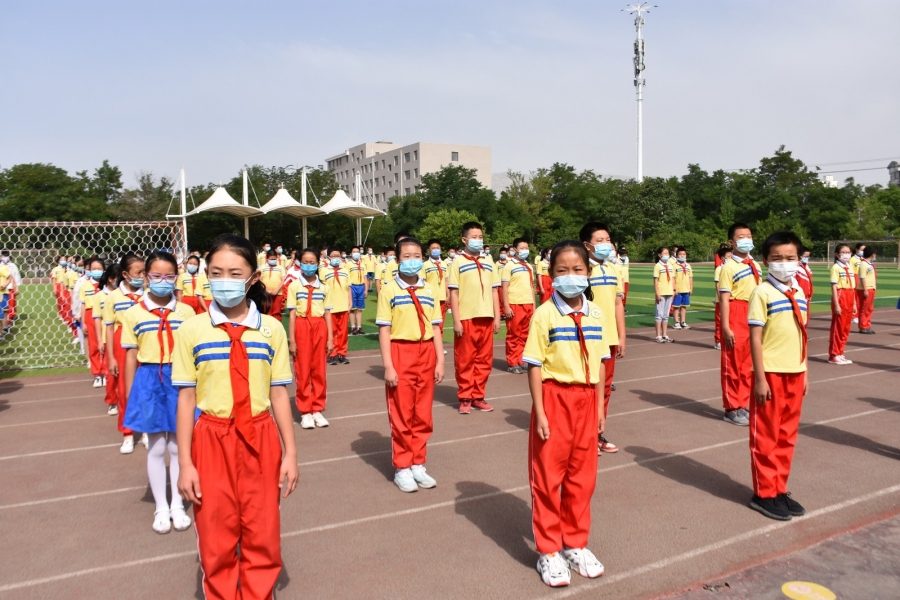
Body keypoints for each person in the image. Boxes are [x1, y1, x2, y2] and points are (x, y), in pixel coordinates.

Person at [173, 234, 297, 599]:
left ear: (254, 277)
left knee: (262, 530)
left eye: (234, 272)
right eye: (216, 272)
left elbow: (278, 394)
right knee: (215, 534)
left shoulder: (271, 329)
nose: (224, 280)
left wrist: (290, 452)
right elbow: (186, 397)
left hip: (260, 437)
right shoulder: (193, 329)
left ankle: (259, 592)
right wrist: (185, 462)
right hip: (211, 438)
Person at [523, 240, 609, 588]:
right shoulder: (544, 314)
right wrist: (541, 412)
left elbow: (601, 364)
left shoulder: (596, 313)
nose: (571, 276)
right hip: (555, 398)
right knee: (548, 477)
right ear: (551, 275)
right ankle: (548, 550)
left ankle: (574, 543)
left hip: (587, 400)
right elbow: (533, 365)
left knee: (582, 478)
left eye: (578, 270)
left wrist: (600, 407)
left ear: (588, 273)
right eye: (562, 271)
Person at [121, 251, 196, 534]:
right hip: (150, 380)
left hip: (180, 380)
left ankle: (177, 502)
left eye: (169, 276)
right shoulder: (133, 312)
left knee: (179, 446)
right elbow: (130, 356)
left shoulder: (186, 312)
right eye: (156, 276)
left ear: (176, 278)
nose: (162, 281)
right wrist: (132, 395)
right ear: (145, 277)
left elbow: (192, 353)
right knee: (157, 446)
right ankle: (160, 506)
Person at [747, 231, 808, 521]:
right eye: (777, 258)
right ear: (765, 261)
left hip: (795, 372)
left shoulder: (798, 291)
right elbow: (755, 339)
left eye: (790, 258)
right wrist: (759, 378)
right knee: (766, 437)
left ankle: (779, 488)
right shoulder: (762, 292)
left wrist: (805, 370)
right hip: (770, 374)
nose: (785, 263)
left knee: (787, 436)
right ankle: (764, 493)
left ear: (799, 259)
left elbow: (802, 335)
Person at [376, 237, 445, 493]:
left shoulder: (430, 290)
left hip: (426, 351)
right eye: (407, 256)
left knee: (423, 412)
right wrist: (388, 366)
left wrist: (440, 360)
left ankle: (418, 462)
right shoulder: (389, 290)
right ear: (397, 260)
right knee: (402, 412)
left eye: (417, 255)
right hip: (401, 351)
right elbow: (384, 330)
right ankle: (402, 467)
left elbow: (436, 328)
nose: (412, 260)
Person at [580, 222, 626, 454]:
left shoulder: (613, 268)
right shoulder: (580, 270)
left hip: (609, 338)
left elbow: (618, 303)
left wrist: (622, 335)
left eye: (608, 239)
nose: (606, 244)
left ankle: (597, 432)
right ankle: (584, 436)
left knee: (604, 389)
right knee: (586, 387)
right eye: (600, 240)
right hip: (587, 339)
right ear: (587, 245)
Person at [448, 221, 500, 414]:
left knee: (484, 360)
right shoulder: (457, 263)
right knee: (465, 359)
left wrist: (496, 317)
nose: (478, 240)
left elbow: (495, 291)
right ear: (464, 240)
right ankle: (465, 397)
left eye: (480, 237)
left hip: (486, 317)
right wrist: (456, 320)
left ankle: (479, 396)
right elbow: (453, 293)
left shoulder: (489, 262)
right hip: (467, 318)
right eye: (474, 237)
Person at [104, 253, 148, 453]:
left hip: (146, 341)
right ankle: (128, 433)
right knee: (124, 390)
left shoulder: (148, 294)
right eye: (138, 272)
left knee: (146, 387)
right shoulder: (113, 297)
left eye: (144, 272)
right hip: (122, 343)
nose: (142, 276)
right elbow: (109, 326)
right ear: (125, 274)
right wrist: (111, 357)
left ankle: (147, 430)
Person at [718, 223, 761, 426]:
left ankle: (743, 403)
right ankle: (731, 407)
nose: (746, 239)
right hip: (736, 311)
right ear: (731, 242)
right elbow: (724, 299)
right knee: (733, 362)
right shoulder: (728, 267)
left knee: (748, 363)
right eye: (741, 236)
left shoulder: (755, 265)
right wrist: (725, 327)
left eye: (749, 235)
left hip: (753, 312)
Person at [287, 249, 334, 429]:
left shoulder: (324, 287)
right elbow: (291, 315)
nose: (308, 265)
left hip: (319, 326)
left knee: (319, 370)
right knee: (303, 370)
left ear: (317, 263)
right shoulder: (294, 286)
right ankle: (305, 411)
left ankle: (317, 409)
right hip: (301, 326)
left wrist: (330, 338)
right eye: (305, 261)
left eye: (312, 261)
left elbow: (328, 314)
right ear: (299, 263)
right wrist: (292, 340)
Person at [502, 238, 536, 374]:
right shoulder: (509, 266)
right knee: (514, 334)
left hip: (528, 303)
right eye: (522, 248)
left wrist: (533, 306)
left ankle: (521, 360)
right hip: (515, 304)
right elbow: (504, 288)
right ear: (515, 249)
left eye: (526, 247)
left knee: (524, 335)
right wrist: (506, 306)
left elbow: (531, 287)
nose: (525, 250)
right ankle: (512, 362)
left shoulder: (528, 266)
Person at [95, 264, 119, 415]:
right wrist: (99, 340)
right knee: (111, 373)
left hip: (126, 338)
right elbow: (98, 319)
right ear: (110, 279)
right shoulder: (99, 296)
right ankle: (112, 401)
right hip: (108, 338)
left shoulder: (126, 295)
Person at [321, 247, 351, 365]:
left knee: (343, 332)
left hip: (343, 305)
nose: (336, 258)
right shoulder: (324, 271)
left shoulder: (345, 270)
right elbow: (322, 289)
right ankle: (332, 353)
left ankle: (342, 353)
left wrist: (350, 303)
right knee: (331, 331)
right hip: (330, 306)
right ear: (328, 257)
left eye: (338, 255)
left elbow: (348, 288)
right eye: (333, 256)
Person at [828, 244, 856, 364]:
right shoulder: (836, 267)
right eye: (843, 252)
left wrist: (854, 303)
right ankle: (834, 354)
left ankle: (840, 352)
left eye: (848, 252)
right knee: (838, 327)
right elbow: (834, 286)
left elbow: (853, 287)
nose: (846, 254)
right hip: (841, 295)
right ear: (837, 254)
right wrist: (837, 304)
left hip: (850, 295)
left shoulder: (849, 267)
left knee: (846, 327)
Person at [82, 257, 106, 386]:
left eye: (99, 269)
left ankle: (106, 372)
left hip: (105, 315)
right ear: (89, 270)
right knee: (94, 345)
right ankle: (97, 374)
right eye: (94, 269)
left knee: (106, 344)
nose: (97, 271)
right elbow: (82, 304)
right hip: (90, 315)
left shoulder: (107, 285)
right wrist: (84, 322)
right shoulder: (85, 285)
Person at [423, 239, 448, 337]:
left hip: (441, 298)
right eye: (433, 248)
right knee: (429, 322)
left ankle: (439, 345)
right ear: (429, 250)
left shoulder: (444, 264)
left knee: (440, 323)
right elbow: (423, 282)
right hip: (430, 298)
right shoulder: (425, 265)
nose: (436, 250)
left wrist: (448, 295)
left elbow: (446, 280)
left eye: (438, 248)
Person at [653, 247, 675, 343]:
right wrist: (657, 293)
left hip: (669, 292)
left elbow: (673, 278)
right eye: (664, 253)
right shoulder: (658, 266)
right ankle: (658, 335)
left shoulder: (670, 265)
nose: (666, 255)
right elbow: (656, 280)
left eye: (667, 253)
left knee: (666, 315)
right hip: (661, 292)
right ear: (659, 255)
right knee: (659, 315)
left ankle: (665, 335)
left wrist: (674, 290)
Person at [713, 247, 732, 350]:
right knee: (720, 321)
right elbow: (717, 284)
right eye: (729, 257)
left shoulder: (732, 268)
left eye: (731, 256)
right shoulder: (719, 269)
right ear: (723, 258)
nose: (731, 258)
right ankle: (718, 340)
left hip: (731, 299)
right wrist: (720, 298)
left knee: (729, 320)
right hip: (720, 300)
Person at [856, 247, 877, 334]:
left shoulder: (869, 264)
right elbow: (862, 277)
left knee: (869, 308)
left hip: (871, 288)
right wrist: (865, 289)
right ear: (872, 255)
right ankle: (863, 326)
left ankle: (867, 324)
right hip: (866, 288)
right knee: (864, 308)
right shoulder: (863, 264)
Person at [260, 249, 286, 319]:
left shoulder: (280, 268)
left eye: (275, 259)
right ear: (267, 258)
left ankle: (277, 327)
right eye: (271, 259)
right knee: (266, 311)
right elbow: (260, 279)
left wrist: (276, 290)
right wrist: (266, 289)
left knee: (276, 312)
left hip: (278, 293)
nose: (273, 260)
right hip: (265, 293)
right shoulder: (262, 267)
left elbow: (283, 280)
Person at [347, 247, 367, 335]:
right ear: (350, 254)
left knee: (359, 308)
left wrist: (366, 289)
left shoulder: (362, 264)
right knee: (352, 308)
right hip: (352, 287)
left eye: (357, 252)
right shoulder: (348, 264)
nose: (356, 253)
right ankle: (352, 327)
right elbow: (347, 278)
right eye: (354, 252)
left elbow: (365, 277)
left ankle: (359, 326)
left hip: (361, 286)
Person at [672, 248, 693, 330]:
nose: (682, 256)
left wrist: (691, 288)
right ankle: (676, 322)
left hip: (686, 289)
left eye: (684, 254)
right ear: (677, 256)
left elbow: (690, 278)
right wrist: (675, 288)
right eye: (680, 254)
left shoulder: (688, 266)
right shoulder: (674, 266)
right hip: (678, 290)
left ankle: (683, 322)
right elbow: (673, 278)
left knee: (684, 306)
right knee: (676, 306)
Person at [849, 243, 865, 325]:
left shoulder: (863, 259)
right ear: (856, 249)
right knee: (855, 299)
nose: (863, 251)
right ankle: (853, 316)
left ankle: (858, 315)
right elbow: (851, 271)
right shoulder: (852, 259)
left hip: (861, 279)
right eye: (861, 250)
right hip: (855, 277)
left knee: (860, 299)